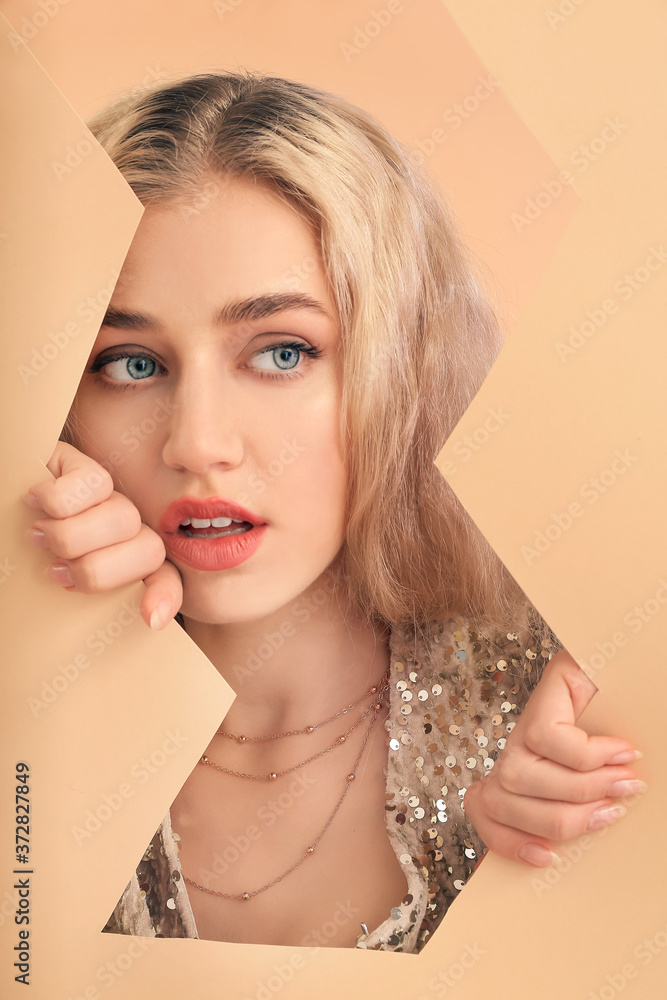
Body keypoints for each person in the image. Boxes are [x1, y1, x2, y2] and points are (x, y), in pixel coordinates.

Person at [22, 71, 645, 953]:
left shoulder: (564, 711)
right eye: (128, 363)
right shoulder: (29, 733)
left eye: (282, 352)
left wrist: (604, 856)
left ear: (406, 369)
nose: (198, 444)